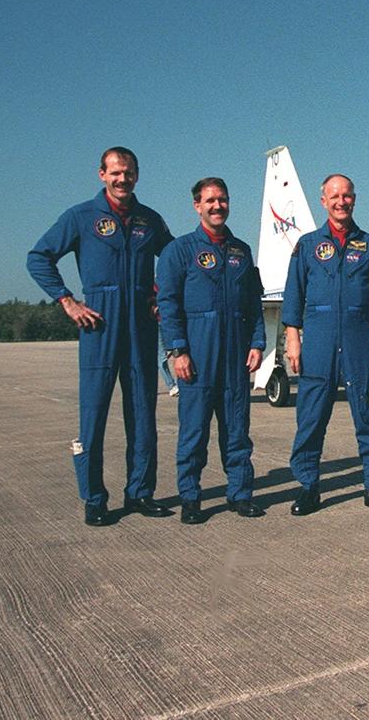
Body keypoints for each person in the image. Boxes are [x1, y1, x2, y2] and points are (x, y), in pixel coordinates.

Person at [27, 147, 174, 526]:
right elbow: (38, 257)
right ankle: (94, 498)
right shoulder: (81, 217)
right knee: (92, 416)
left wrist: (160, 296)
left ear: (137, 175)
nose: (122, 179)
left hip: (140, 328)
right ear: (101, 174)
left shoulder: (149, 220)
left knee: (143, 415)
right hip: (99, 326)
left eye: (128, 173)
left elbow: (173, 260)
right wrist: (67, 300)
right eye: (115, 173)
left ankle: (140, 492)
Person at [283, 174, 369, 515]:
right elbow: (294, 294)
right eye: (334, 196)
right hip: (318, 341)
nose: (341, 201)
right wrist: (293, 337)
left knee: (368, 416)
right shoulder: (306, 245)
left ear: (354, 199)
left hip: (359, 339)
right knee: (311, 418)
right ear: (323, 201)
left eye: (347, 195)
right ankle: (308, 486)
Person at [156, 178, 266, 524]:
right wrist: (178, 351)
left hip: (235, 355)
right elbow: (168, 305)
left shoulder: (241, 252)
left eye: (222, 200)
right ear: (196, 206)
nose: (217, 206)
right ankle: (191, 497)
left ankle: (240, 493)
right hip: (198, 357)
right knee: (194, 431)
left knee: (237, 430)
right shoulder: (180, 251)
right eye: (210, 201)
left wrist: (257, 343)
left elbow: (253, 303)